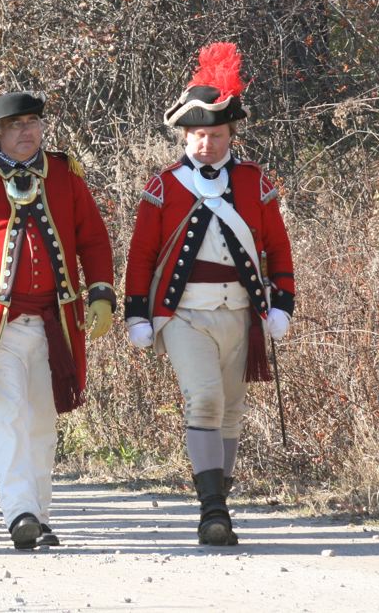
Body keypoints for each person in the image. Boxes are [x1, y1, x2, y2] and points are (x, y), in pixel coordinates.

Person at [124, 42, 295, 546]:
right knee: (205, 400)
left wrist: (281, 302)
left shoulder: (253, 180)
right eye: (197, 135)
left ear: (230, 134)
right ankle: (212, 508)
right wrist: (137, 313)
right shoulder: (164, 186)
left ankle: (219, 498)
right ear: (185, 135)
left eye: (215, 134)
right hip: (183, 315)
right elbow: (140, 255)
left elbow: (277, 249)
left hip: (240, 312)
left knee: (232, 409)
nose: (205, 145)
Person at [0, 92, 115, 549]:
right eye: (16, 125)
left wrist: (101, 292)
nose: (27, 131)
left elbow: (93, 238)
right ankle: (20, 513)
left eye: (33, 121)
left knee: (41, 423)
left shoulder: (65, 174)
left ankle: (41, 514)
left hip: (57, 324)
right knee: (7, 417)